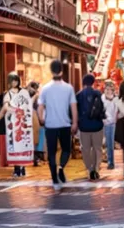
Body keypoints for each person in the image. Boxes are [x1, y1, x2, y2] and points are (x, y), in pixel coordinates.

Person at [38, 59, 78, 191]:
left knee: (51, 152)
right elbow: (73, 107)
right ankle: (61, 167)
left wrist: (41, 119)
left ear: (51, 71)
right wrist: (75, 123)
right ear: (61, 70)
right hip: (65, 124)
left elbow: (40, 107)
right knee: (66, 149)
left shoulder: (45, 88)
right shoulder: (68, 88)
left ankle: (54, 177)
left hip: (50, 124)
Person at [76, 74, 105, 180]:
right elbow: (102, 109)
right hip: (97, 126)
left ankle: (89, 169)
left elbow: (76, 111)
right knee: (97, 148)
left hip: (84, 127)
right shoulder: (98, 94)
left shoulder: (79, 95)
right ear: (93, 82)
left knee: (86, 149)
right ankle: (96, 169)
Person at [27, 81, 44, 166]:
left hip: (28, 118)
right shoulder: (35, 96)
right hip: (34, 118)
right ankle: (35, 157)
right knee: (36, 138)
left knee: (31, 139)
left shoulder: (26, 94)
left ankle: (33, 157)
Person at [102, 81, 118, 170]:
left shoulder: (115, 99)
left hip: (112, 123)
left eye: (109, 89)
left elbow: (116, 111)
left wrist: (114, 120)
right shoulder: (102, 98)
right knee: (106, 143)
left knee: (110, 143)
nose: (108, 91)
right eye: (106, 89)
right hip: (104, 123)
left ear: (113, 90)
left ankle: (111, 162)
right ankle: (108, 160)